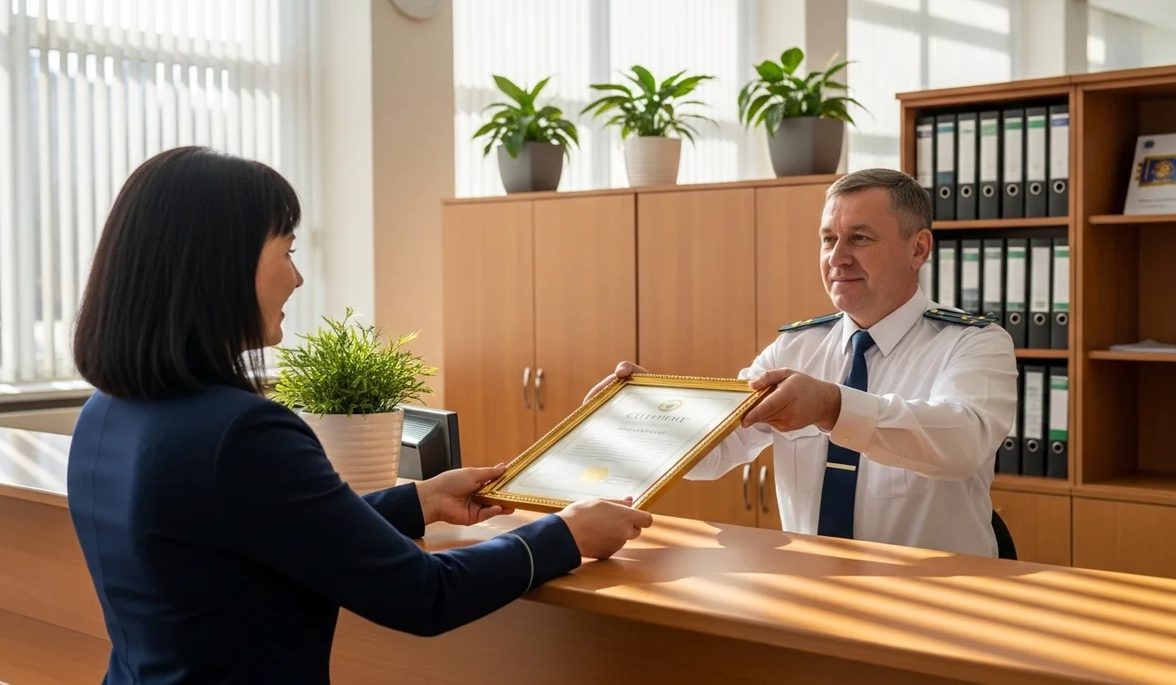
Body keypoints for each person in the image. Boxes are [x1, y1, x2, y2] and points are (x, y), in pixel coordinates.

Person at [66, 146, 652, 684]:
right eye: (288, 251)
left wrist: (417, 501)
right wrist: (563, 535)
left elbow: (261, 530)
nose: (296, 277)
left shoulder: (106, 414)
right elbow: (424, 595)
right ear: (218, 264)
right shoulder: (240, 433)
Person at [587, 168, 1017, 558]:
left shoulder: (974, 343)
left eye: (860, 239)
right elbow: (714, 451)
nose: (837, 257)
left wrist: (833, 407)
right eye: (829, 239)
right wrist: (649, 406)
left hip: (938, 601)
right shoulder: (794, 347)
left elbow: (963, 442)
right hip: (811, 591)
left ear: (918, 249)